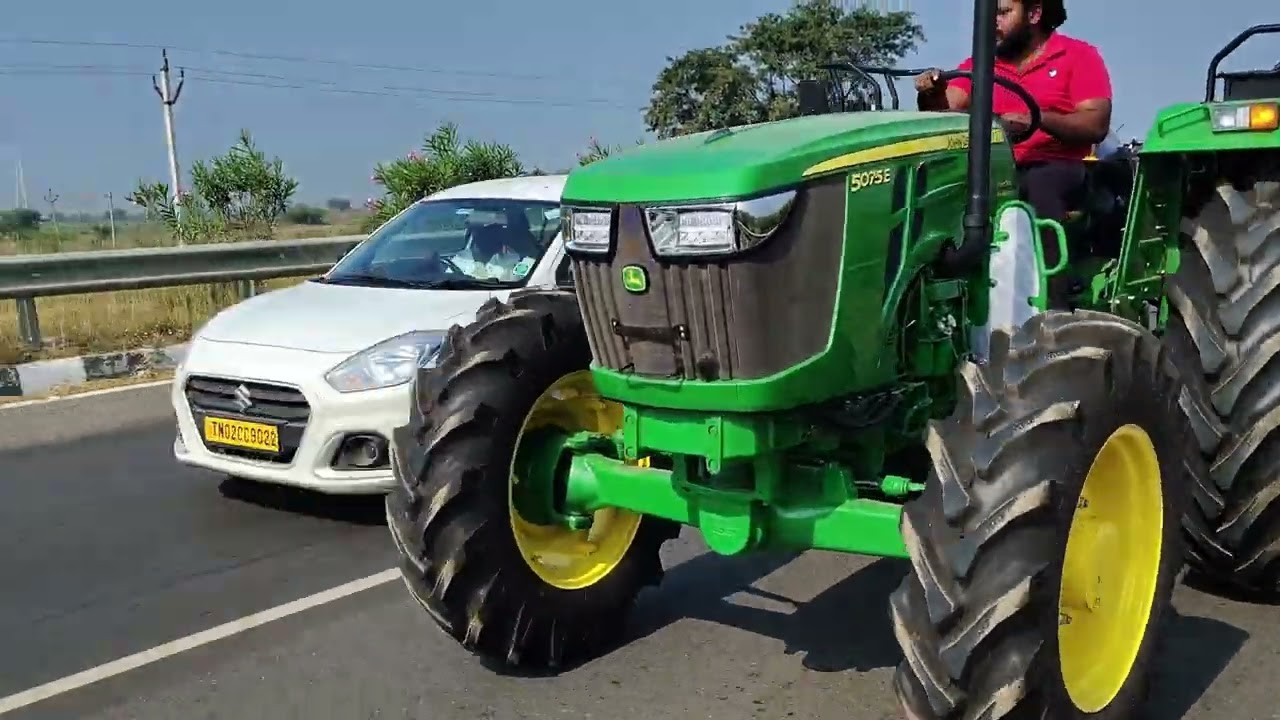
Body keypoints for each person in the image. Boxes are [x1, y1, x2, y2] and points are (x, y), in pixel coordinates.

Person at [914, 0, 1112, 305]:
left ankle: (1051, 308)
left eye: (1003, 13)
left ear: (1034, 14)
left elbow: (1095, 124)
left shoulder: (1078, 55)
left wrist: (1036, 118)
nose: (993, 22)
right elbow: (947, 108)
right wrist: (932, 91)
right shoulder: (980, 66)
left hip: (1058, 164)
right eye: (989, 15)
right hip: (994, 168)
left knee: (1038, 186)